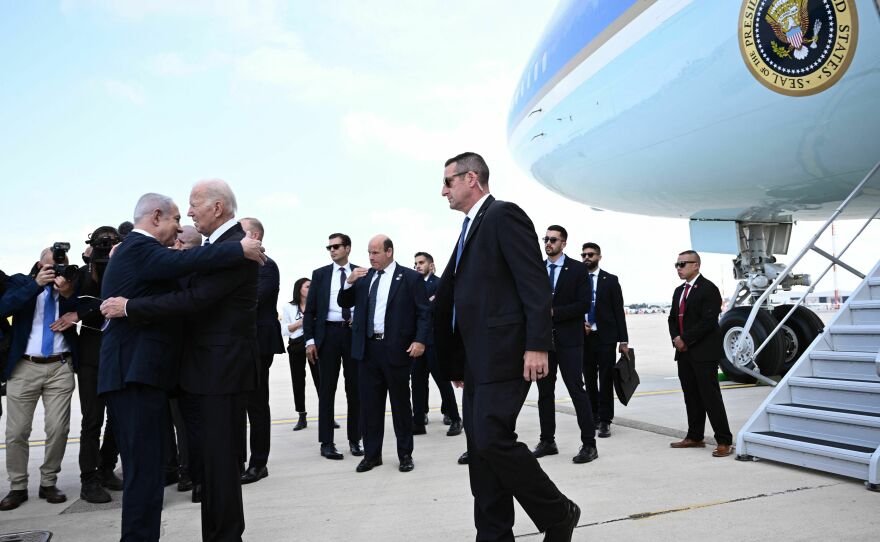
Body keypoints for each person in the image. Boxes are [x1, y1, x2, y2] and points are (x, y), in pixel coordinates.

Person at [99, 186, 266, 542]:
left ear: (217, 207)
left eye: (191, 207)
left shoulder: (236, 248)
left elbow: (195, 296)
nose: (186, 216)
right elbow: (183, 271)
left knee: (218, 467)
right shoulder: (211, 249)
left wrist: (130, 306)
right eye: (179, 213)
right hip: (162, 374)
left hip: (219, 371)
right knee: (182, 469)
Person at [433, 152, 580, 542]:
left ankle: (558, 511)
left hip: (506, 352)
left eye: (448, 181)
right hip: (477, 360)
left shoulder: (503, 215)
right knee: (480, 451)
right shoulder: (470, 228)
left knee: (493, 439)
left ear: (472, 179)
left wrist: (537, 345)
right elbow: (456, 296)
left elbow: (534, 284)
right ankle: (494, 535)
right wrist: (457, 362)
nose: (443, 190)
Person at [338, 235, 430, 473]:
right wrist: (349, 281)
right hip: (368, 351)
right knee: (370, 406)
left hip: (396, 350)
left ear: (389, 252)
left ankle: (405, 454)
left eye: (375, 253)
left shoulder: (409, 278)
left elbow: (423, 313)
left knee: (400, 405)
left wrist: (420, 340)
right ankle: (372, 455)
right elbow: (343, 301)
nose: (370, 257)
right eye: (369, 252)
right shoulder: (363, 277)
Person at [0, 248, 80, 511]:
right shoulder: (21, 282)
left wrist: (67, 292)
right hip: (24, 366)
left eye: (61, 265)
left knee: (58, 429)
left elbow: (88, 307)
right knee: (16, 432)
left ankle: (48, 482)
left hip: (59, 365)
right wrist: (35, 285)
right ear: (38, 265)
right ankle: (17, 486)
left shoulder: (70, 286)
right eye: (51, 266)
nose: (56, 270)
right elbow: (4, 307)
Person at [533, 226, 597, 464]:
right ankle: (547, 440)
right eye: (545, 239)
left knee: (576, 390)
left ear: (564, 243)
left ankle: (589, 444)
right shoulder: (537, 268)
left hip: (569, 341)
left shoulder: (578, 269)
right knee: (544, 393)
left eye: (552, 239)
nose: (548, 243)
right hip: (543, 342)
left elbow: (583, 305)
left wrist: (552, 313)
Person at [74, 226, 123, 504]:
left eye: (111, 243)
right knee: (92, 420)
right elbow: (77, 305)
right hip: (92, 358)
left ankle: (106, 468)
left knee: (116, 419)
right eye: (101, 244)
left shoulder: (124, 269)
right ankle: (88, 479)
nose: (106, 247)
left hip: (117, 355)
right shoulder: (84, 274)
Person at [303, 233, 363, 460]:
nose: (332, 250)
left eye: (336, 246)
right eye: (329, 247)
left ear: (348, 248)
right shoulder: (320, 275)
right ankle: (326, 442)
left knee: (354, 390)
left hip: (352, 333)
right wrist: (310, 340)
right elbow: (310, 311)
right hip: (327, 334)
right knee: (327, 390)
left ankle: (355, 440)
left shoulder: (361, 273)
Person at [667, 250, 733, 457]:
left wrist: (685, 339)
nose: (678, 268)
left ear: (696, 265)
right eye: (677, 265)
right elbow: (672, 319)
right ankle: (695, 436)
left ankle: (724, 440)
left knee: (710, 397)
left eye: (682, 264)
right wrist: (677, 340)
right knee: (691, 396)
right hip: (684, 353)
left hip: (703, 352)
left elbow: (708, 322)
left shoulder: (708, 289)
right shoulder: (679, 291)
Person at [239, 217, 285, 485]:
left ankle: (259, 462)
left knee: (256, 403)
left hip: (259, 342)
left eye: (241, 232)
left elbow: (252, 301)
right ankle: (239, 459)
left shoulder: (266, 266)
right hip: (239, 342)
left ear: (255, 235)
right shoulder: (237, 264)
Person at [580, 242, 629, 438]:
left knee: (606, 379)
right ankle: (593, 416)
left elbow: (619, 311)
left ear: (599, 257)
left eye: (590, 254)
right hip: (584, 337)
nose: (586, 258)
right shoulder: (577, 279)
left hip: (606, 337)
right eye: (583, 254)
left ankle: (605, 420)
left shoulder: (610, 280)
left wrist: (623, 340)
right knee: (589, 379)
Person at [411, 251, 462, 436]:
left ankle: (455, 419)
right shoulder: (413, 285)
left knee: (442, 382)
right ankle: (417, 421)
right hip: (417, 343)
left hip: (434, 343)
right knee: (416, 383)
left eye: (421, 262)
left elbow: (438, 312)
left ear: (430, 265)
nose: (417, 266)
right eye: (415, 263)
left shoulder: (439, 284)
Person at [281, 278, 320, 431]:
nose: (311, 289)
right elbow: (284, 330)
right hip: (296, 345)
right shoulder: (288, 307)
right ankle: (301, 415)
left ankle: (326, 415)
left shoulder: (316, 305)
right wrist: (301, 322)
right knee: (298, 380)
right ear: (299, 290)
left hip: (313, 345)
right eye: (308, 286)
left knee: (320, 379)